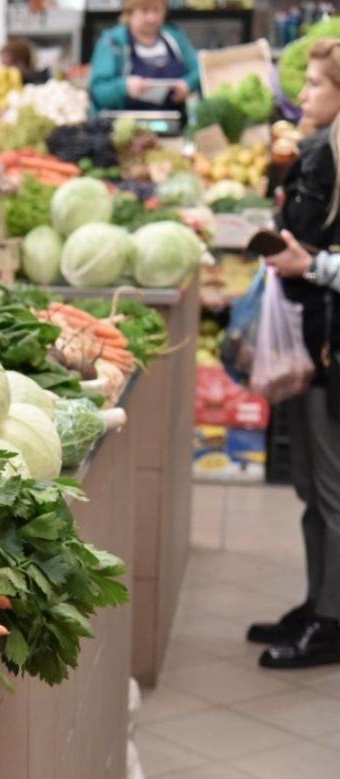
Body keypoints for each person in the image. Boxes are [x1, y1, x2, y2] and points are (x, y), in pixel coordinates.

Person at [249, 39, 340, 669]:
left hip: (332, 344)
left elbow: (319, 255)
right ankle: (317, 602)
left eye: (314, 84)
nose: (302, 95)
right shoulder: (319, 152)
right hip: (311, 339)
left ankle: (332, 621)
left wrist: (319, 264)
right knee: (311, 484)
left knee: (332, 490)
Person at [88, 0, 200, 112]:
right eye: (144, 10)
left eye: (157, 10)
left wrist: (187, 84)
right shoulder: (112, 42)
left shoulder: (174, 37)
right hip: (126, 123)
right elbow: (98, 91)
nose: (151, 18)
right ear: (130, 12)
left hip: (175, 120)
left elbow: (200, 70)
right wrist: (124, 87)